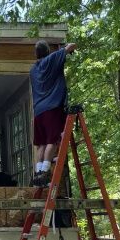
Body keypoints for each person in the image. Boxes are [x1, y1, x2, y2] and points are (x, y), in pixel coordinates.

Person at [30, 40, 77, 186]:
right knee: (52, 141)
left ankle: (38, 174)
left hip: (38, 111)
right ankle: (44, 172)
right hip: (52, 107)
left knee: (41, 144)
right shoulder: (52, 58)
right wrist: (66, 48)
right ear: (48, 51)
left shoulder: (32, 70)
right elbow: (72, 46)